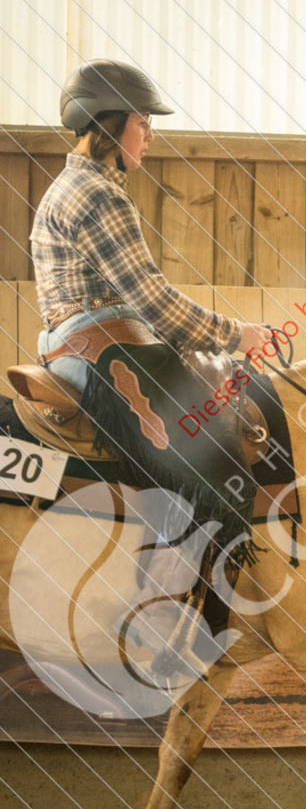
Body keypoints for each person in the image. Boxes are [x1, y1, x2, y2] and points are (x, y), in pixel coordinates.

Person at [29, 58, 273, 568]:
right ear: (110, 121)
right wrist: (237, 336)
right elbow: (154, 302)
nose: (150, 135)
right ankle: (189, 584)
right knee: (214, 453)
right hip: (106, 350)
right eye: (143, 121)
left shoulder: (70, 188)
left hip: (78, 345)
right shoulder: (99, 195)